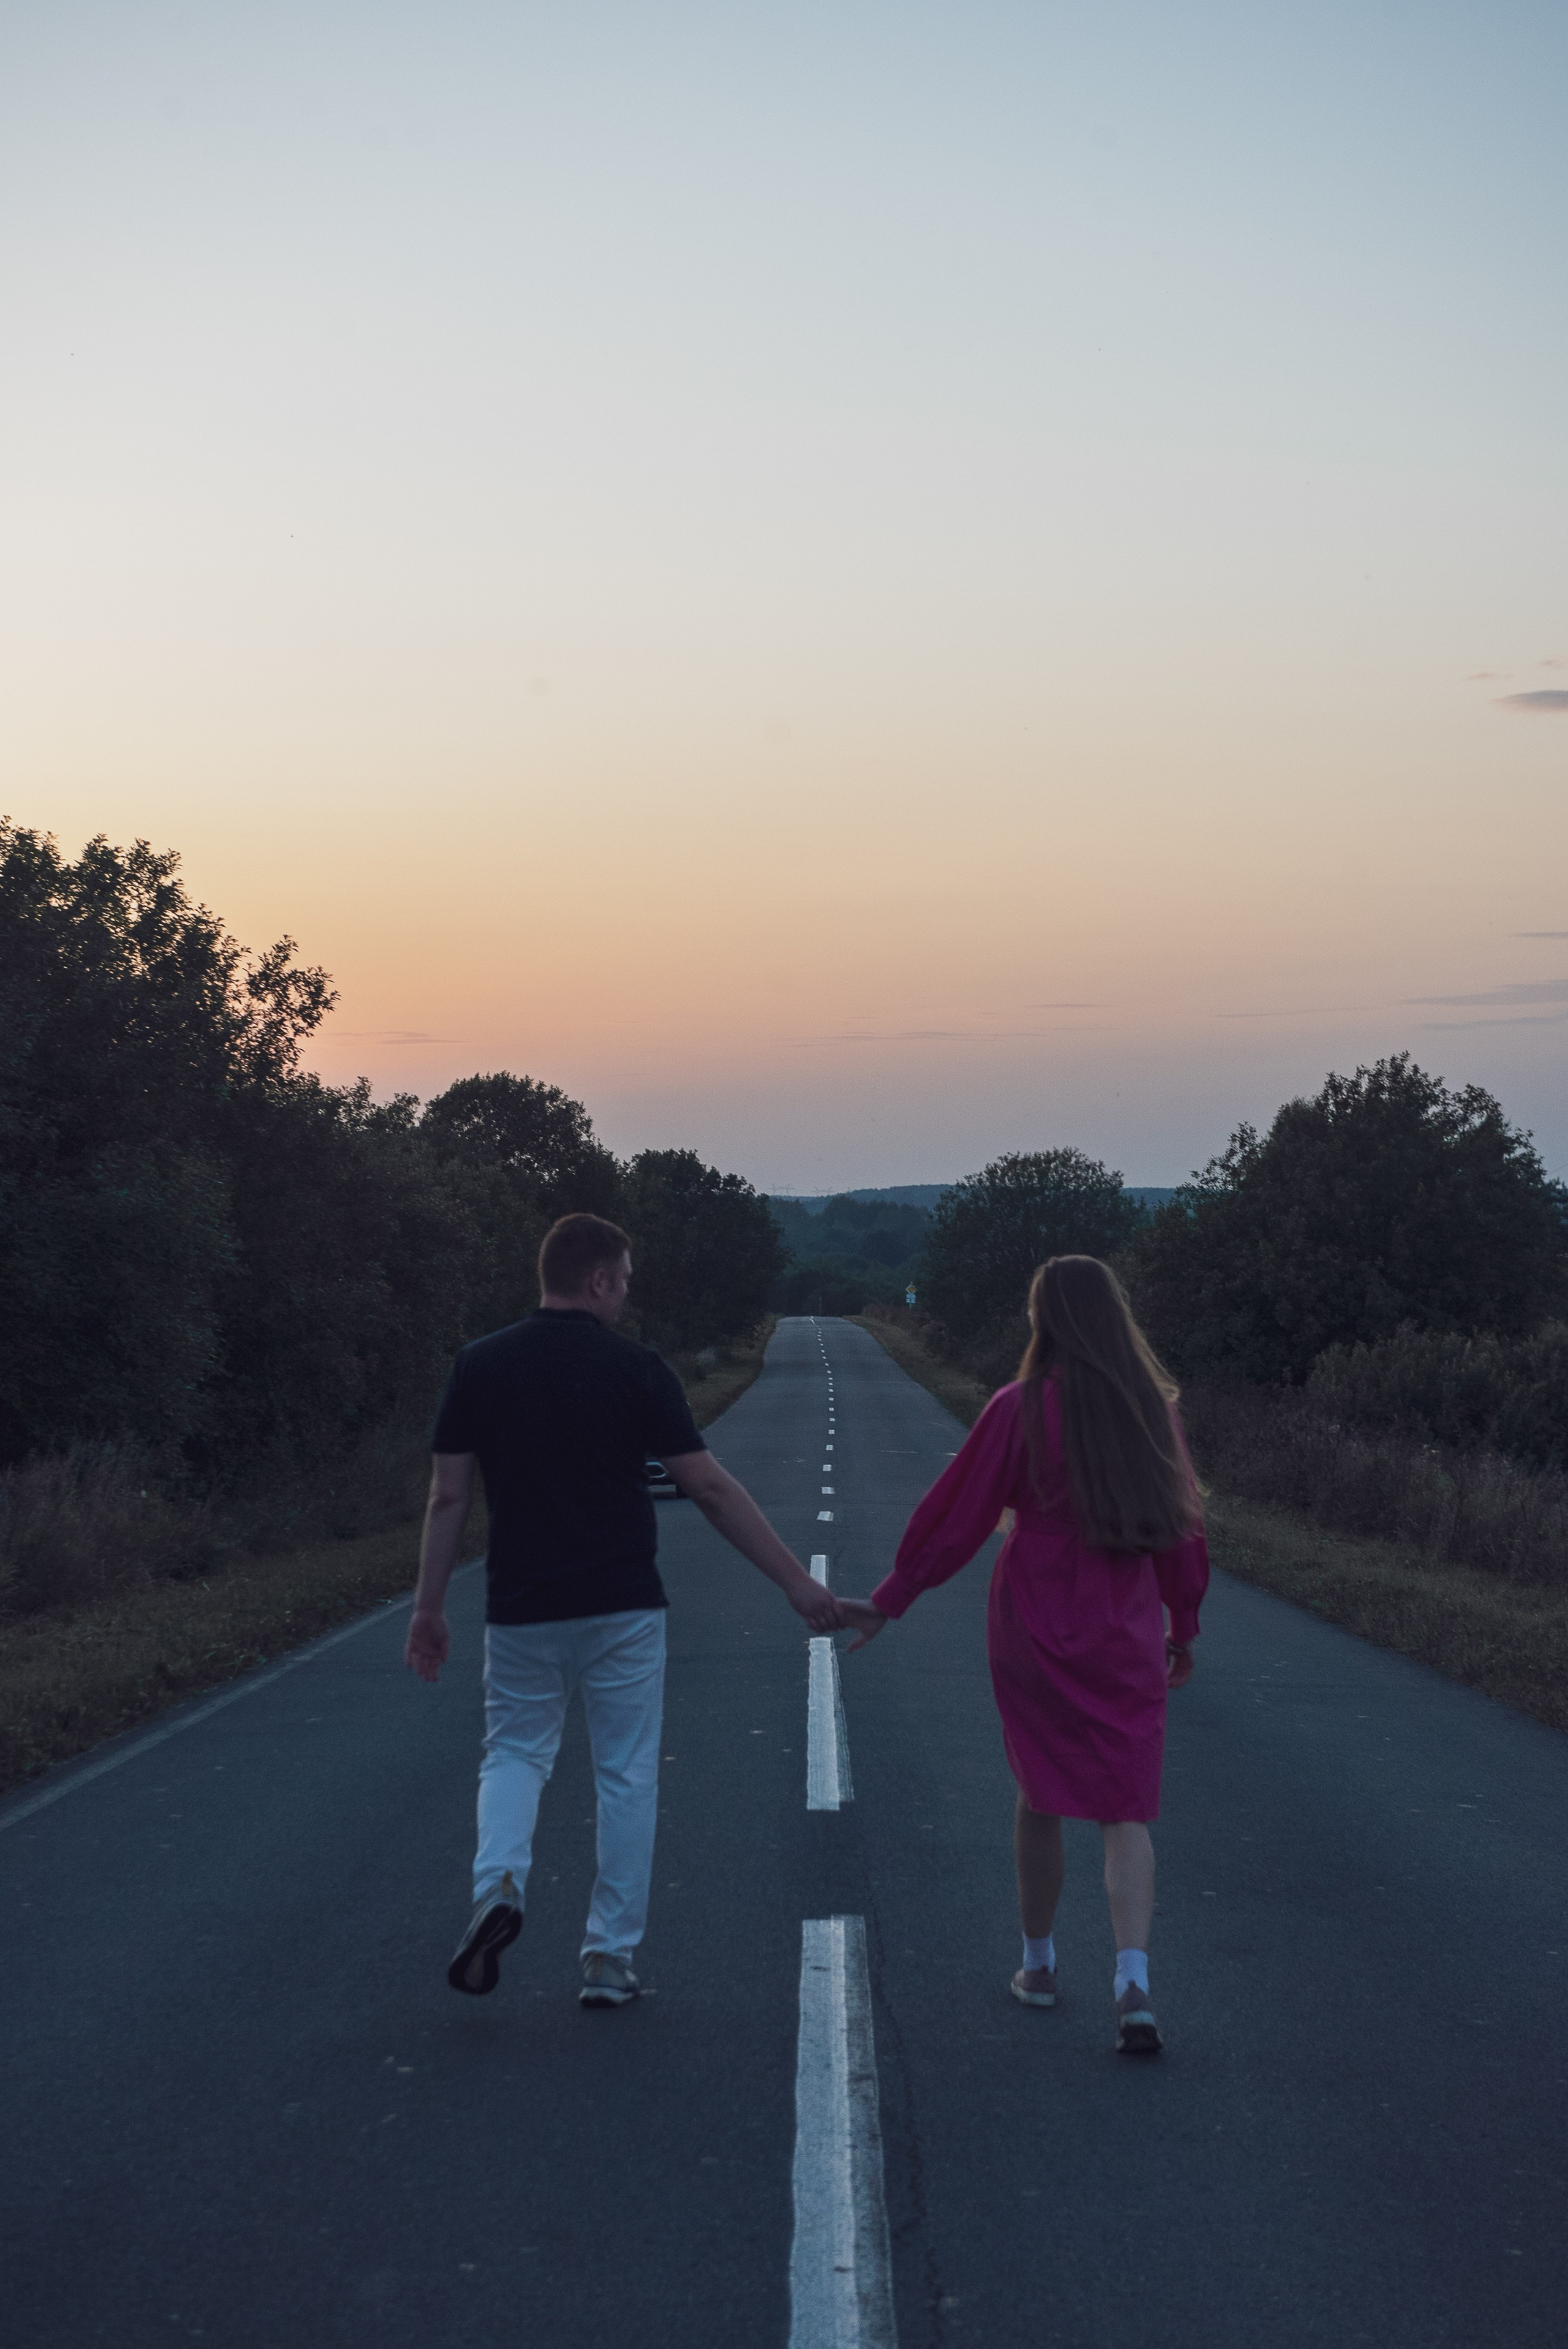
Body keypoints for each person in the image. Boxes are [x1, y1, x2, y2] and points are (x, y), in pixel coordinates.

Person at [405, 1212, 843, 2007]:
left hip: (521, 1605)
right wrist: (794, 1582)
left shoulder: (479, 1366)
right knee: (626, 1775)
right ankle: (608, 1959)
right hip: (623, 1607)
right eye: (625, 1281)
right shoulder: (637, 1369)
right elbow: (709, 1489)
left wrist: (428, 1608)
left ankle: (498, 1884)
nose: (627, 1295)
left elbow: (448, 1497)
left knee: (514, 1753)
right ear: (600, 1280)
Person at [839, 1254, 1208, 2053]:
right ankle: (1134, 1982)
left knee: (1039, 1791)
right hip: (1124, 1628)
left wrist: (892, 1598)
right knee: (1126, 1808)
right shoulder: (1153, 1413)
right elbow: (1183, 1530)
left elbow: (959, 1516)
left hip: (1034, 1621)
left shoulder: (1020, 1407)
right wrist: (1184, 1623)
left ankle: (1038, 1967)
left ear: (1044, 1319)